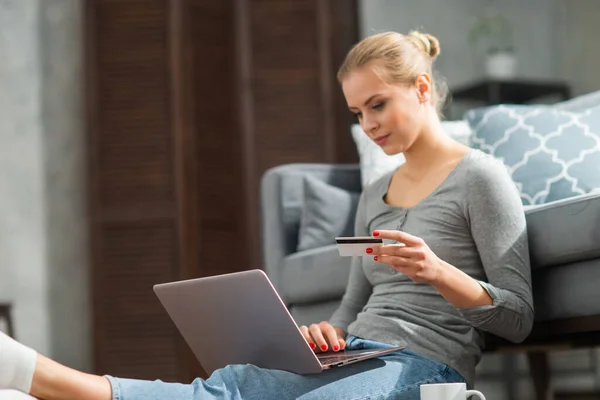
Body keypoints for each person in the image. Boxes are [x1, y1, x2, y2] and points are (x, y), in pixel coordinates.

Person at [0, 30, 533, 400]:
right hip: (359, 352)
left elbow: (517, 317)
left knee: (238, 393)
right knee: (243, 378)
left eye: (377, 104)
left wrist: (439, 271)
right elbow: (352, 306)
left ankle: (43, 378)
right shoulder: (376, 192)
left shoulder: (480, 178)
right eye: (356, 113)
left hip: (424, 366)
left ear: (420, 89)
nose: (368, 124)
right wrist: (328, 333)